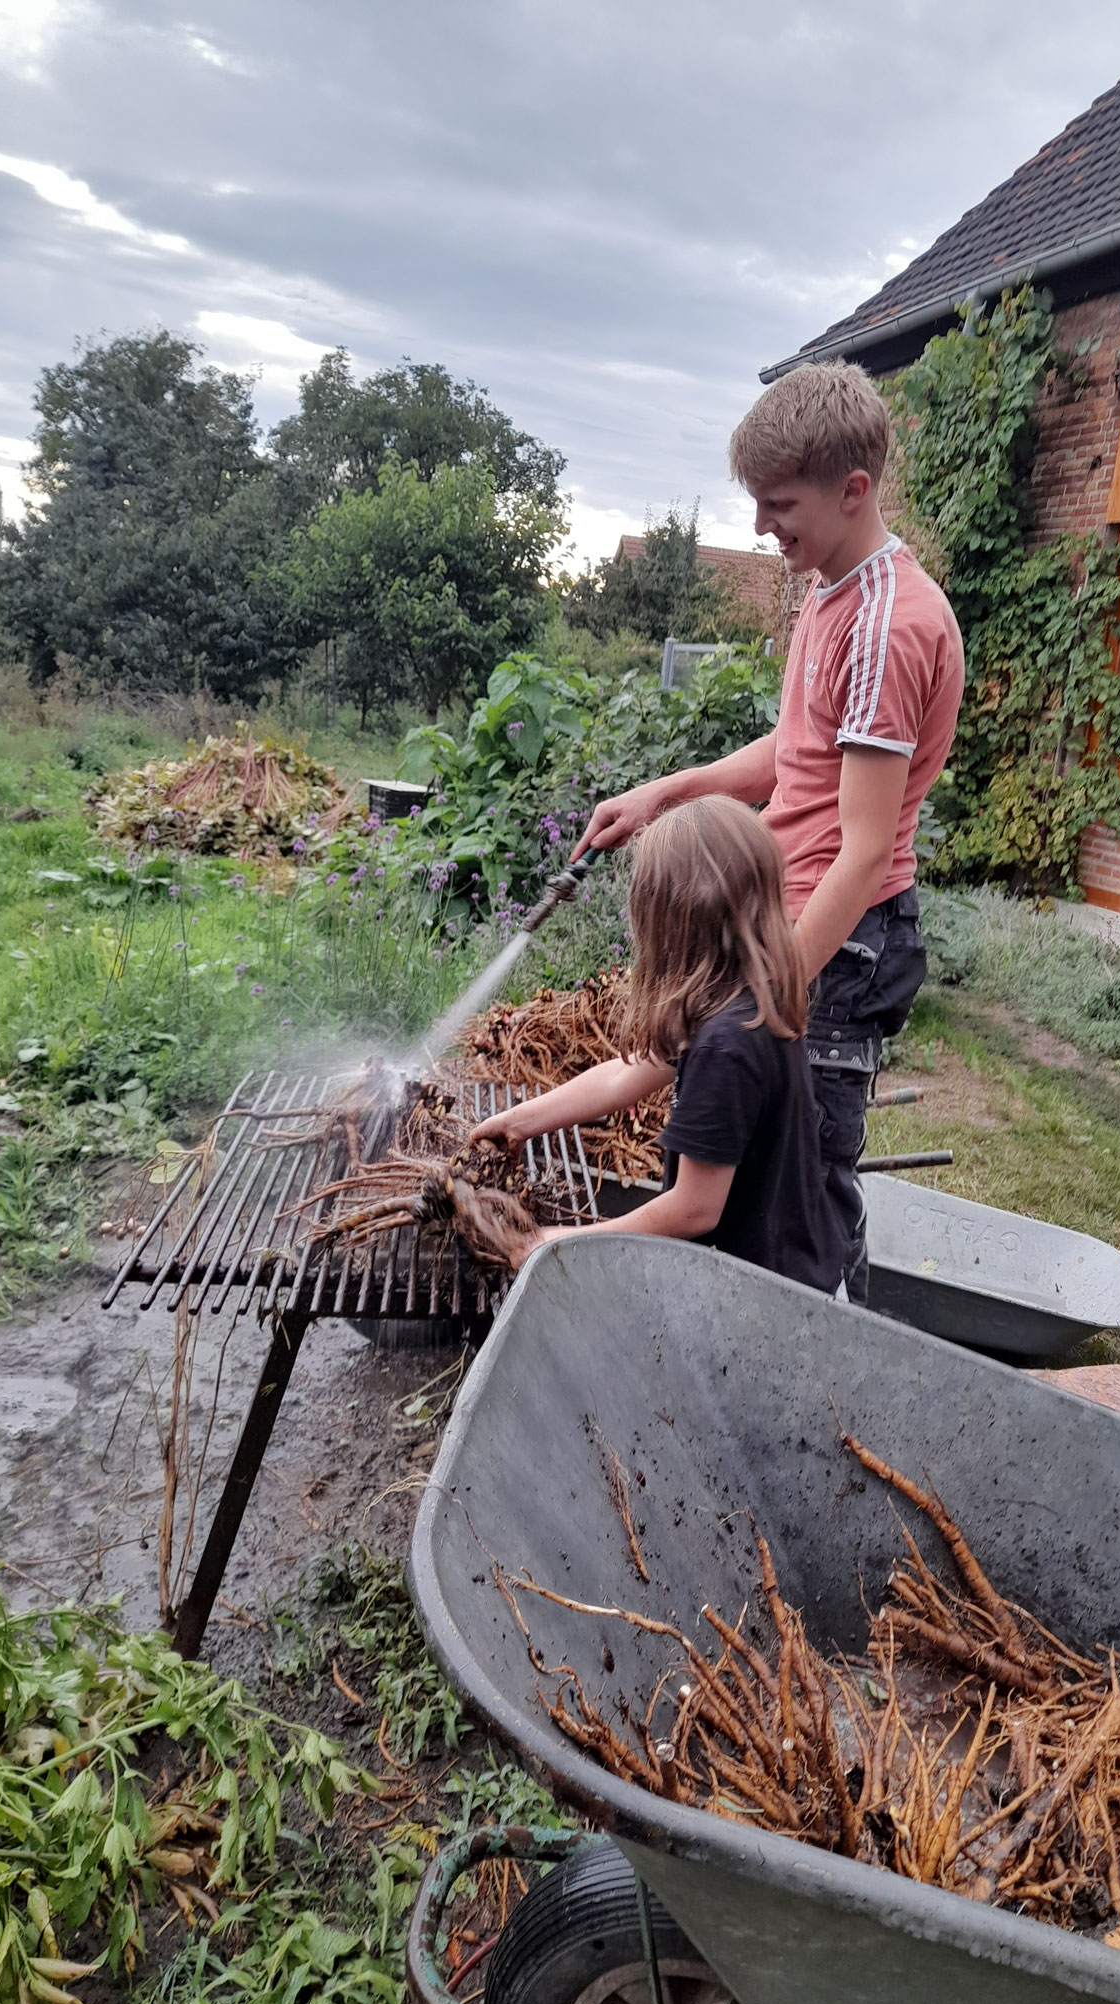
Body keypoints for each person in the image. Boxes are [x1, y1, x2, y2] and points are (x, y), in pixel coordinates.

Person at [571, 360, 964, 1301]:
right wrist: (667, 793)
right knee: (756, 1179)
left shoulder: (884, 630)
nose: (760, 527)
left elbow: (865, 850)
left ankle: (824, 1364)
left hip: (838, 936)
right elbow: (800, 749)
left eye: (778, 503)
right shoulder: (834, 590)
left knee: (807, 1190)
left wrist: (765, 997)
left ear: (853, 490)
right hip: (792, 918)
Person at [470, 794, 838, 1292]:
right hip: (784, 1271)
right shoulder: (742, 999)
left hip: (762, 1301)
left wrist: (554, 1243)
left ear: (671, 919)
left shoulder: (726, 1046)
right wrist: (519, 1122)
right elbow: (624, 1074)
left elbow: (693, 1210)